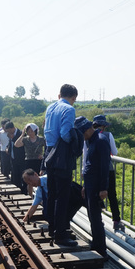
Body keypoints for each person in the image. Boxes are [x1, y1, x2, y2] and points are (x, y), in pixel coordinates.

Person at [43, 84, 82, 246]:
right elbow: (65, 134)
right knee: (63, 196)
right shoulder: (69, 109)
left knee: (52, 193)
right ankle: (60, 234)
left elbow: (46, 130)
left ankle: (52, 228)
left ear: (60, 94)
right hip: (61, 157)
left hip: (49, 154)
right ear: (73, 97)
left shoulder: (51, 107)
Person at [76, 116, 110, 259]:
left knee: (96, 217)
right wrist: (85, 185)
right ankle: (96, 244)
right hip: (90, 184)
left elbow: (104, 167)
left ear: (88, 129)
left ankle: (101, 250)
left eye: (82, 134)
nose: (81, 137)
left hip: (97, 185)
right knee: (92, 216)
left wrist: (103, 188)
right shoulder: (91, 141)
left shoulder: (101, 141)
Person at [92, 114, 124, 231]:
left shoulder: (89, 135)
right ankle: (116, 221)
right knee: (112, 195)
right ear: (104, 126)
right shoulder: (108, 135)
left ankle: (97, 221)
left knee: (95, 195)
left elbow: (85, 154)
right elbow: (114, 152)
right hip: (107, 169)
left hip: (93, 170)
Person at [4, 122, 26, 195]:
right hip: (13, 158)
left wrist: (12, 138)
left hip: (20, 158)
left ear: (12, 128)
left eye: (8, 130)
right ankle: (16, 190)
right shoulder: (10, 134)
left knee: (21, 176)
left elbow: (17, 144)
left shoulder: (20, 133)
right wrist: (8, 148)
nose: (8, 132)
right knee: (15, 175)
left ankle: (23, 192)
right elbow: (10, 144)